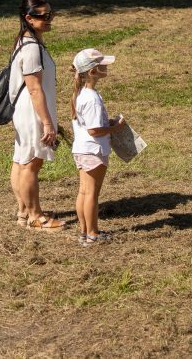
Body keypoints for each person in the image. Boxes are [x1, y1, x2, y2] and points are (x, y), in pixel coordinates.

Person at [9, 0, 65, 231]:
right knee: (32, 163)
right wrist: (48, 123)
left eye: (51, 14)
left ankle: (23, 212)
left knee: (21, 161)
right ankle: (35, 216)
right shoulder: (31, 48)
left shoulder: (26, 41)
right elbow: (34, 88)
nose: (49, 19)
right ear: (29, 18)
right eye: (44, 16)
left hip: (25, 110)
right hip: (32, 112)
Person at [70, 48, 125, 246]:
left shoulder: (82, 94)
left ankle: (84, 232)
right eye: (102, 65)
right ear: (93, 71)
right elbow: (94, 130)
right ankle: (93, 234)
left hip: (81, 149)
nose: (106, 67)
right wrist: (115, 127)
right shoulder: (92, 98)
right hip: (94, 150)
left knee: (84, 191)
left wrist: (106, 123)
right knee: (92, 193)